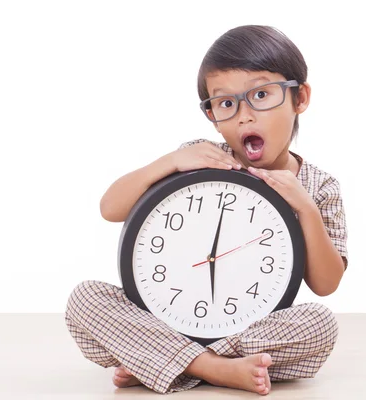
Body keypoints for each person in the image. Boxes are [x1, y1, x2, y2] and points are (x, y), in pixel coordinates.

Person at [64, 24, 348, 396]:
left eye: (261, 94)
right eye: (226, 103)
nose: (244, 115)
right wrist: (169, 162)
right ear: (211, 113)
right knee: (85, 299)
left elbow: (325, 285)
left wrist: (306, 208)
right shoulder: (202, 157)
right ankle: (216, 368)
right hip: (167, 320)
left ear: (300, 97)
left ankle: (154, 360)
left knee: (319, 326)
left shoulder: (318, 186)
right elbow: (110, 208)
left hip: (251, 330)